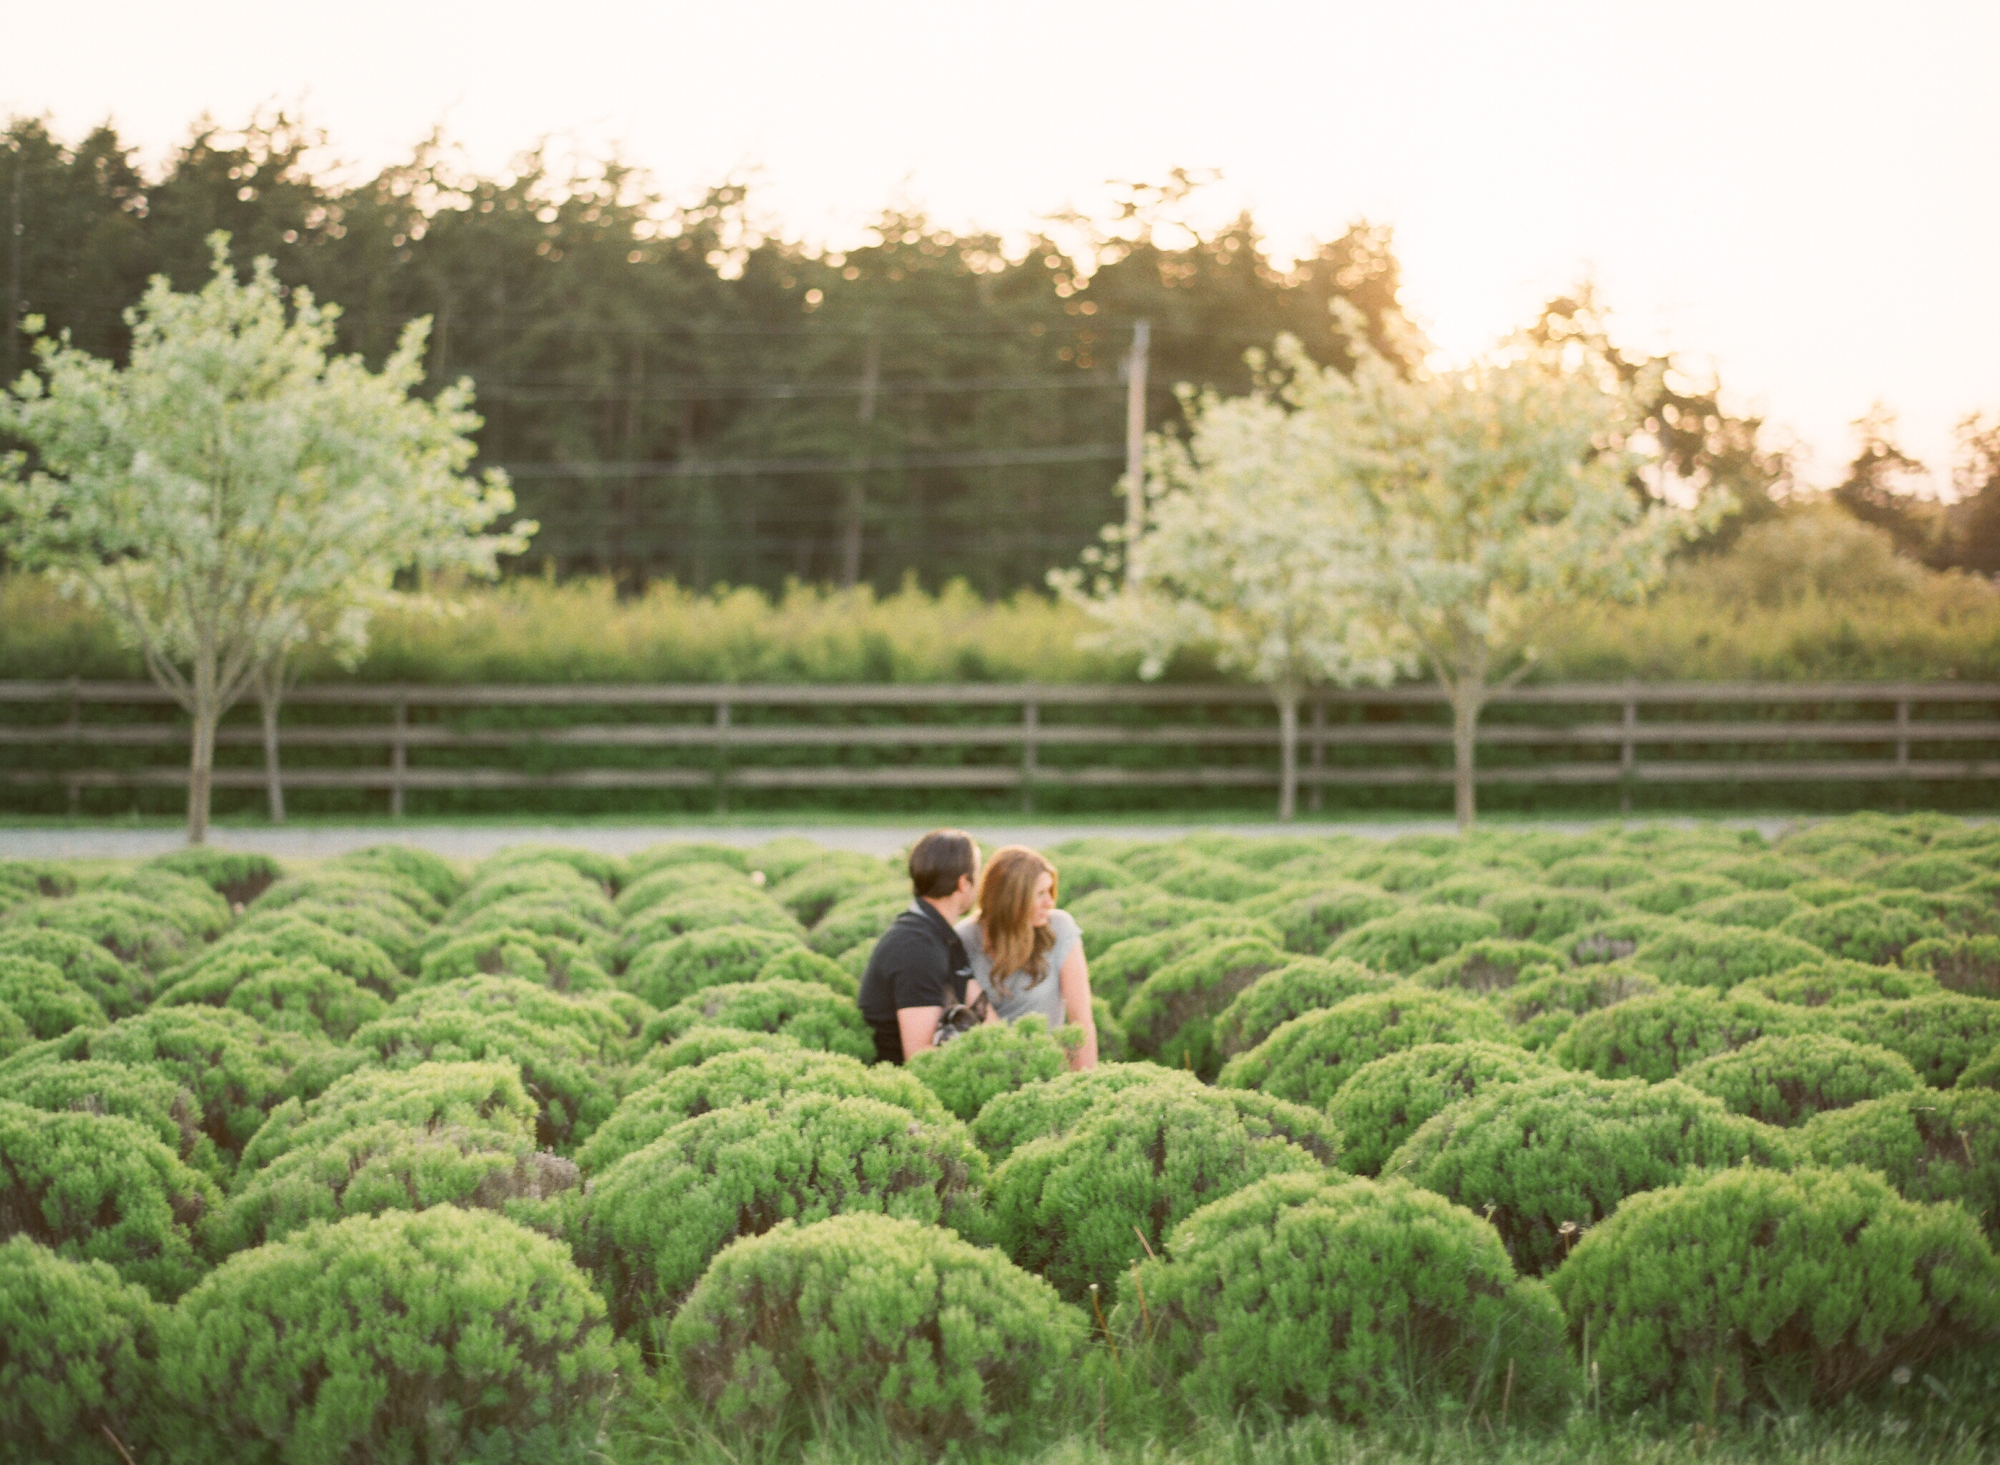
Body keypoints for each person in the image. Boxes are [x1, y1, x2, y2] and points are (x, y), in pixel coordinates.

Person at [956, 845, 1097, 1071]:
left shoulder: (1060, 929)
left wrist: (1085, 1086)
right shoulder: (964, 938)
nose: (1049, 903)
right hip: (990, 1071)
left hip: (1048, 1070)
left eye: (1050, 891)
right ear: (1010, 899)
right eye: (1039, 894)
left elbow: (1081, 1021)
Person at [856, 829, 980, 1065]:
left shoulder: (941, 933)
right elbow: (920, 1058)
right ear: (964, 883)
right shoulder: (916, 947)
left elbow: (985, 1015)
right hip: (896, 1086)